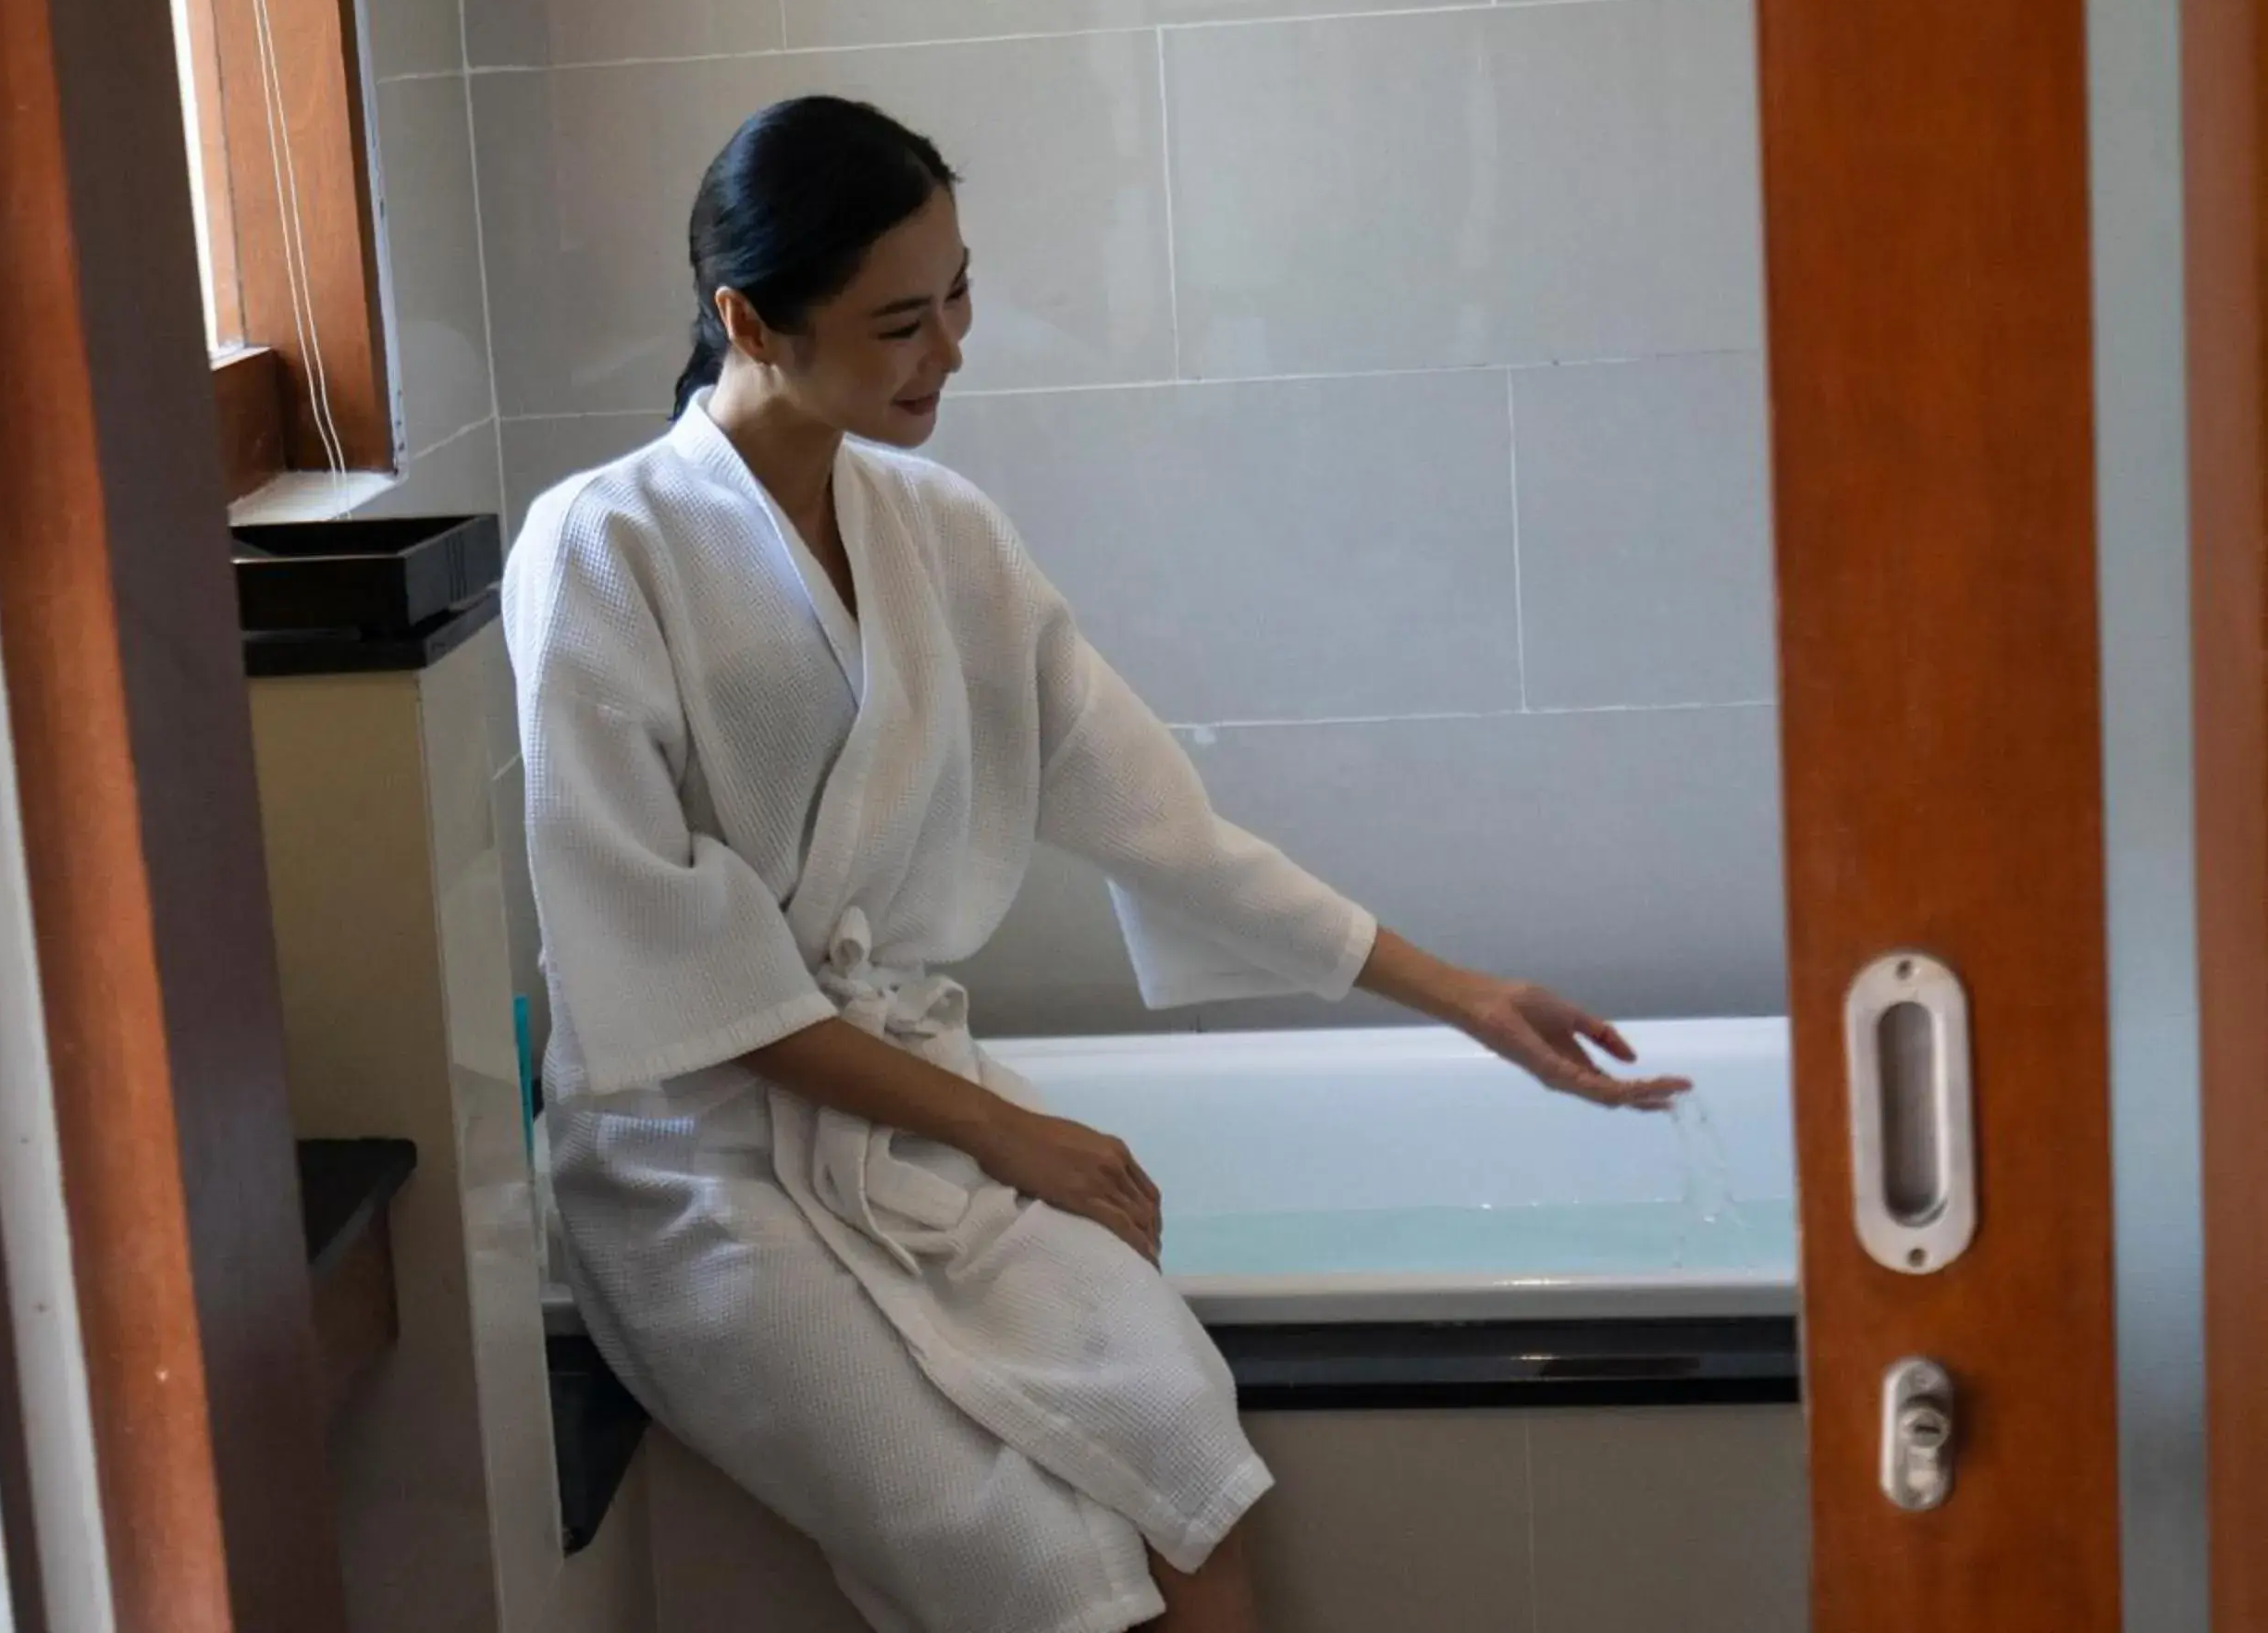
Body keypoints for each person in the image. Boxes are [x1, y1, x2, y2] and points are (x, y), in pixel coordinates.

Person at [505, 96, 1689, 1633]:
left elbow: (1158, 821)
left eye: (961, 296)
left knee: (1191, 1466)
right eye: (899, 323)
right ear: (750, 320)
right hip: (699, 1171)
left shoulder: (939, 530)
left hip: (905, 1126)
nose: (951, 351)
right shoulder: (603, 551)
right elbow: (665, 976)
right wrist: (1012, 1135)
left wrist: (1460, 997)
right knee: (1039, 1569)